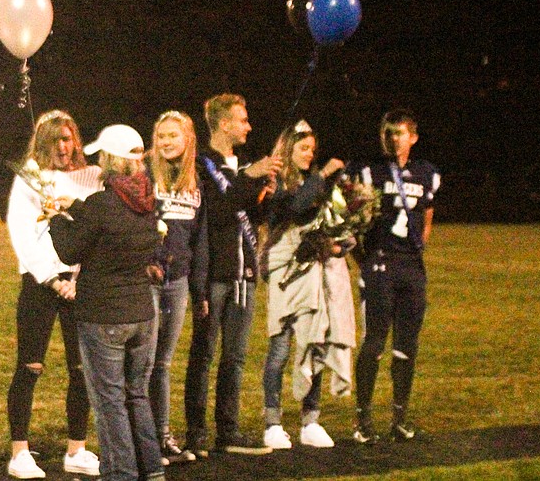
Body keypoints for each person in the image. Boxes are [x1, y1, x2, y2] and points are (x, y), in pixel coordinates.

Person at [49, 124, 164, 481]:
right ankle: (152, 470)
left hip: (104, 316)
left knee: (110, 401)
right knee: (137, 396)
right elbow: (111, 221)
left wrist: (55, 218)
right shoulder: (148, 202)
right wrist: (79, 207)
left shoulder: (101, 205)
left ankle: (122, 473)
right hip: (143, 314)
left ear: (111, 159)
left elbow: (69, 250)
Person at [4, 110, 103, 479]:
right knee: (31, 366)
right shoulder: (30, 177)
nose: (62, 147)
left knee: (82, 369)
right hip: (40, 282)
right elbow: (22, 233)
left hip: (80, 284)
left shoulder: (92, 177)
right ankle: (20, 453)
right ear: (42, 143)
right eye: (54, 140)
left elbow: (95, 228)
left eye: (67, 138)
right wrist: (52, 277)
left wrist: (78, 276)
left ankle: (76, 449)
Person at [183, 93, 280, 455]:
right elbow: (221, 211)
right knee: (204, 355)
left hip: (244, 276)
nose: (248, 126)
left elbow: (248, 217)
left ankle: (229, 430)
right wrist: (251, 177)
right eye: (242, 119)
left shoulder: (239, 167)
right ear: (224, 124)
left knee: (235, 358)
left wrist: (265, 192)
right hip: (215, 276)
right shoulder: (202, 164)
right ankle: (196, 433)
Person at [259, 121, 355, 450]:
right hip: (285, 269)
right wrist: (324, 172)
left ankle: (310, 421)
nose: (309, 154)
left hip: (312, 268)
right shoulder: (275, 181)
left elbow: (328, 221)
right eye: (303, 148)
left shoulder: (312, 181)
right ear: (287, 150)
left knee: (315, 341)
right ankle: (272, 423)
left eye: (312, 150)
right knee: (280, 347)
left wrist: (340, 241)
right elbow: (295, 207)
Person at [350, 109, 439, 444]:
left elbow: (427, 216)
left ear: (413, 137)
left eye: (399, 133)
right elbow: (349, 217)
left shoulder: (427, 172)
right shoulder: (369, 170)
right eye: (388, 133)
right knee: (374, 341)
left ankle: (399, 418)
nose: (393, 139)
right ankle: (362, 420)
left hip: (411, 266)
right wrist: (364, 258)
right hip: (380, 263)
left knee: (407, 346)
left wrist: (418, 249)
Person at [145, 111, 207, 465]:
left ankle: (162, 435)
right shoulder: (144, 175)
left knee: (163, 363)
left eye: (173, 135)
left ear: (187, 140)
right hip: (149, 280)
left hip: (178, 282)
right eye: (162, 136)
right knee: (146, 361)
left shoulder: (195, 181)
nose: (167, 141)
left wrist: (198, 290)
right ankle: (144, 438)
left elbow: (199, 240)